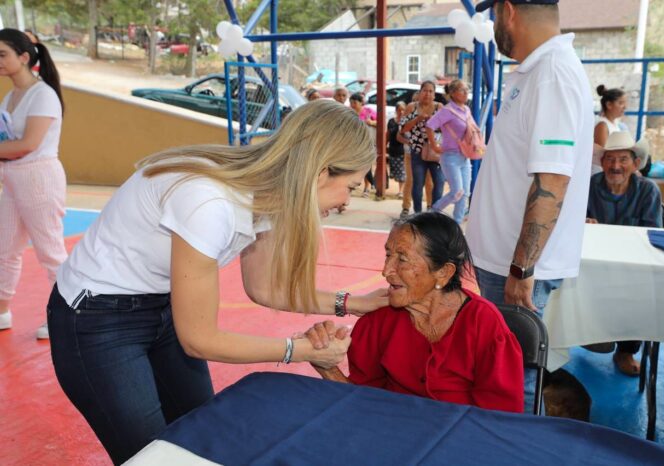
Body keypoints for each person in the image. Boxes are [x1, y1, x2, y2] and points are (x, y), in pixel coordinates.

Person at [47, 100, 388, 464]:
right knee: (153, 456)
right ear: (320, 174)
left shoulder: (269, 194)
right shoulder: (209, 201)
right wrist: (300, 351)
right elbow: (199, 339)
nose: (346, 201)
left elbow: (266, 288)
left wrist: (357, 302)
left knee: (202, 434)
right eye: (351, 186)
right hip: (97, 319)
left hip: (160, 308)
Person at [304, 212, 524, 413]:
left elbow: (497, 418)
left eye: (402, 259)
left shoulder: (484, 324)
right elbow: (361, 401)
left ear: (443, 272)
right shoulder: (379, 318)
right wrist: (328, 368)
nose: (386, 270)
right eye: (387, 255)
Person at [466, 0, 593, 315]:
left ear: (508, 11)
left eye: (495, 14)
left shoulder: (552, 75)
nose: (495, 24)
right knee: (503, 361)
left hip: (516, 268)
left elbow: (552, 178)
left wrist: (522, 268)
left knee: (512, 363)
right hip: (505, 262)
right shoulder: (538, 72)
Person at [0, 28, 66, 340]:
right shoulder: (10, 96)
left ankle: (66, 318)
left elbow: (27, 143)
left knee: (50, 252)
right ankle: (1, 311)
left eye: (3, 55)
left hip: (39, 179)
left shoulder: (44, 95)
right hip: (13, 180)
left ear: (24, 58)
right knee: (4, 248)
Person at [586, 131, 661, 376]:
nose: (615, 166)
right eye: (609, 159)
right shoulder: (588, 186)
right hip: (593, 261)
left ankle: (626, 350)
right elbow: (570, 222)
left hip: (633, 264)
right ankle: (586, 335)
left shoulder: (648, 190)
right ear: (602, 161)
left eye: (623, 159)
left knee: (642, 291)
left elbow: (652, 235)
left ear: (635, 163)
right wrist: (583, 221)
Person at [426, 79, 474, 225]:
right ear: (452, 93)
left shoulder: (466, 110)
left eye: (467, 89)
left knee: (464, 194)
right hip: (450, 157)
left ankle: (456, 225)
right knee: (456, 192)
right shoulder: (447, 111)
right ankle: (433, 212)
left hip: (465, 157)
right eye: (462, 90)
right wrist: (434, 146)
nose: (466, 93)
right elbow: (429, 125)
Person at [400, 81, 444, 213]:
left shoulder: (439, 107)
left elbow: (446, 128)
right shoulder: (411, 107)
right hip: (417, 151)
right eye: (425, 90)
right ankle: (418, 213)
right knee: (418, 183)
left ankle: (434, 212)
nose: (428, 94)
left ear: (434, 95)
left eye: (431, 91)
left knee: (439, 182)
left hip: (435, 151)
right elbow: (403, 129)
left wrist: (433, 122)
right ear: (419, 93)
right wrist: (417, 119)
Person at [592, 85, 626, 174]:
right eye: (620, 103)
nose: (624, 107)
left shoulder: (615, 124)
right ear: (609, 104)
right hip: (601, 174)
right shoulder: (602, 125)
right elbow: (602, 155)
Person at [349, 92, 377, 197]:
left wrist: (372, 123)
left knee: (367, 164)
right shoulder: (349, 113)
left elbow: (381, 122)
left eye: (355, 102)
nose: (352, 105)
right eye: (351, 102)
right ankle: (353, 185)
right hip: (354, 143)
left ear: (361, 103)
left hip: (368, 142)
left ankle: (367, 187)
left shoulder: (368, 111)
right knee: (357, 166)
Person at [387, 101, 407, 198]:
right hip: (392, 149)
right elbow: (388, 135)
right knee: (395, 172)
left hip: (402, 150)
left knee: (402, 172)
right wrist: (384, 147)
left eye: (403, 110)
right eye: (399, 110)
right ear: (396, 111)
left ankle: (401, 191)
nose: (401, 112)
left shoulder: (407, 122)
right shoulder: (391, 121)